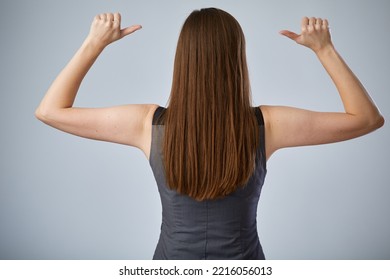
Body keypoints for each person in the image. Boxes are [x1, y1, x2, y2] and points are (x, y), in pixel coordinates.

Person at [35, 8, 384, 259]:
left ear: (182, 61)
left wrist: (94, 43)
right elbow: (367, 119)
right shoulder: (267, 125)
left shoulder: (147, 124)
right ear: (237, 61)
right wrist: (324, 49)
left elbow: (49, 111)